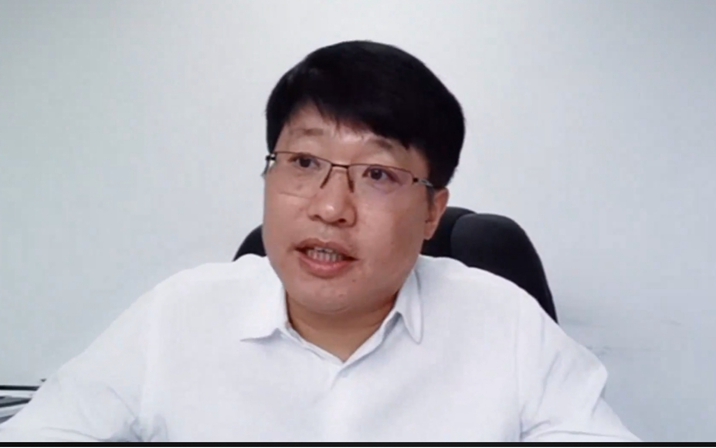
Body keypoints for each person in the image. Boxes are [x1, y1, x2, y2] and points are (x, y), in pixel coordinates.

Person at [0, 40, 638, 442]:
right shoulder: (178, 315)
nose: (330, 208)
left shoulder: (508, 328)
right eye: (304, 163)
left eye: (378, 175)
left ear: (431, 213)